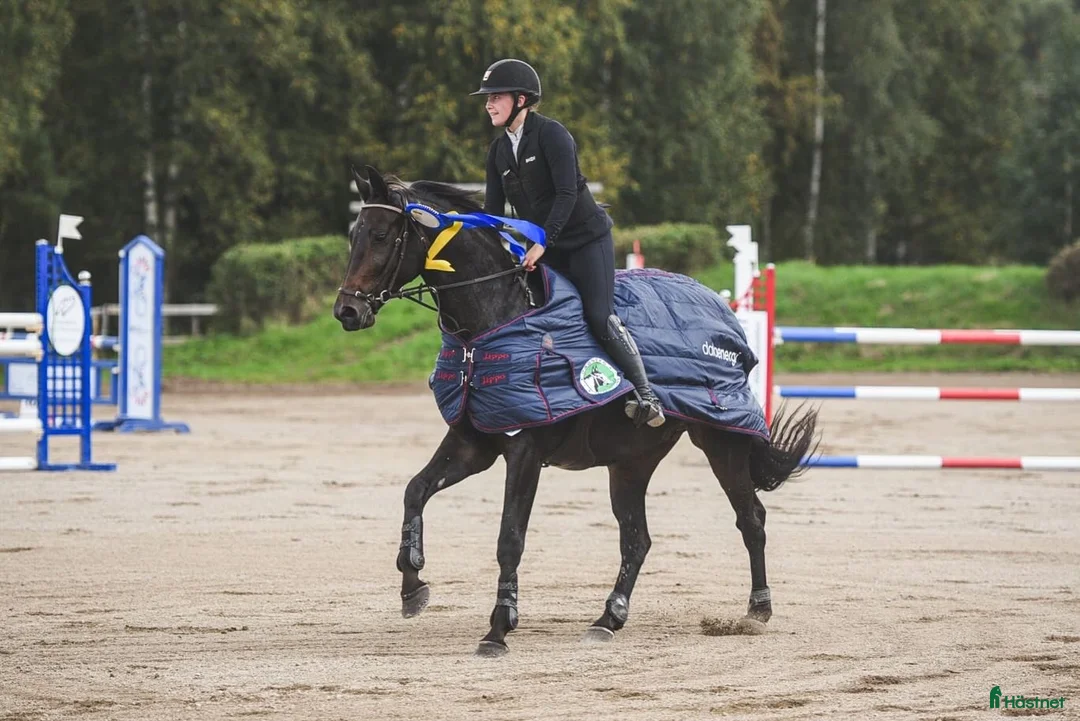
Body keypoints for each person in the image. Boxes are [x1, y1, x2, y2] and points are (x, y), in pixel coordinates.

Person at [471, 58, 665, 428]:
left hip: (585, 241)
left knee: (597, 315)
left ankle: (646, 394)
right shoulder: (497, 152)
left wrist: (542, 242)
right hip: (546, 246)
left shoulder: (552, 135)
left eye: (496, 96)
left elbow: (565, 195)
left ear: (522, 99)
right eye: (487, 98)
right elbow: (493, 211)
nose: (488, 104)